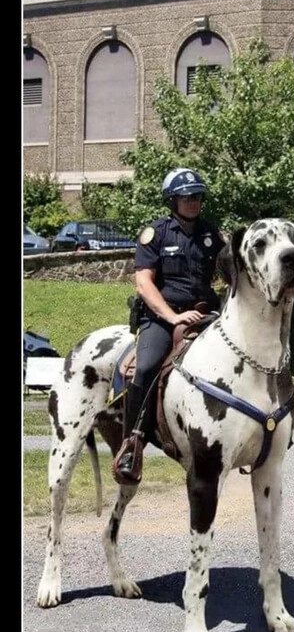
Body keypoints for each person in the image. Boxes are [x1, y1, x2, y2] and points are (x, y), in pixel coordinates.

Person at [112, 167, 226, 485]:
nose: (193, 202)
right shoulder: (156, 234)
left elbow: (232, 274)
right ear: (172, 200)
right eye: (187, 197)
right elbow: (144, 284)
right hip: (163, 319)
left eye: (198, 196)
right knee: (147, 367)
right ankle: (132, 444)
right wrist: (173, 317)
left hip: (205, 316)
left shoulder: (211, 235)